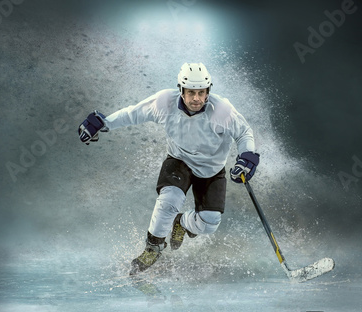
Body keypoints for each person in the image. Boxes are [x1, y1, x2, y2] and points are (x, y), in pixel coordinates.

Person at [78, 62, 260, 275]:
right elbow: (133, 114)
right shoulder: (165, 102)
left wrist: (246, 157)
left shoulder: (222, 110)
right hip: (179, 160)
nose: (196, 99)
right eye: (191, 92)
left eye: (201, 93)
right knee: (169, 200)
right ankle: (152, 248)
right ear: (180, 90)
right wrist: (105, 123)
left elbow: (244, 132)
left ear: (208, 91)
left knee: (210, 223)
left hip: (212, 170)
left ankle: (181, 222)